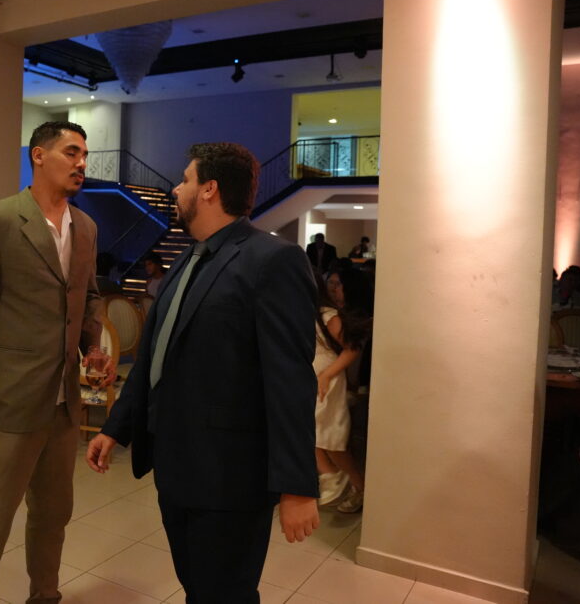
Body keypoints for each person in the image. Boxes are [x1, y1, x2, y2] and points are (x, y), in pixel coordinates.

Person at [86, 142, 320, 603]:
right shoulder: (185, 260)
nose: (176, 189)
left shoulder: (272, 260)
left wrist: (297, 486)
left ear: (209, 189)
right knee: (198, 588)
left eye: (185, 179)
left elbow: (290, 381)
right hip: (176, 468)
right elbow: (155, 358)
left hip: (231, 478)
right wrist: (115, 428)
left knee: (226, 594)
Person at [0, 120, 113, 604]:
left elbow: (89, 295)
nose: (81, 163)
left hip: (64, 405)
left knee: (53, 516)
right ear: (38, 155)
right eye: (71, 152)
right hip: (8, 402)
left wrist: (93, 347)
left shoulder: (86, 227)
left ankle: (45, 596)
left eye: (84, 155)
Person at [314, 268, 372, 513]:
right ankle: (334, 478)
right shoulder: (306, 312)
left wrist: (328, 374)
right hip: (313, 377)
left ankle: (354, 485)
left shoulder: (326, 314)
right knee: (313, 433)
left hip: (326, 378)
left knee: (330, 436)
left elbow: (352, 347)